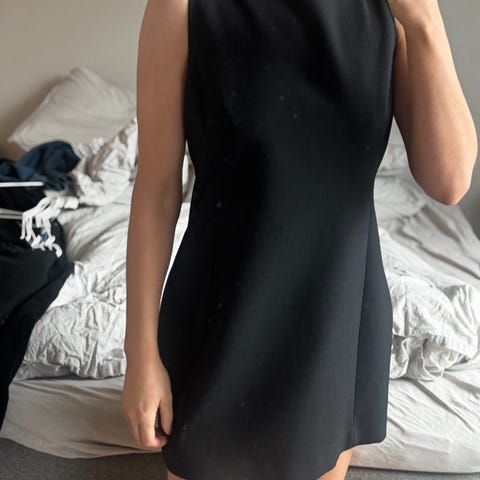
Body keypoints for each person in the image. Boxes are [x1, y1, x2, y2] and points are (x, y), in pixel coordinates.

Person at [121, 0, 477, 479]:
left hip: (335, 320)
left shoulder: (393, 12)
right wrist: (140, 354)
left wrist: (425, 22)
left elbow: (449, 181)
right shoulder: (181, 6)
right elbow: (157, 192)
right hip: (217, 319)